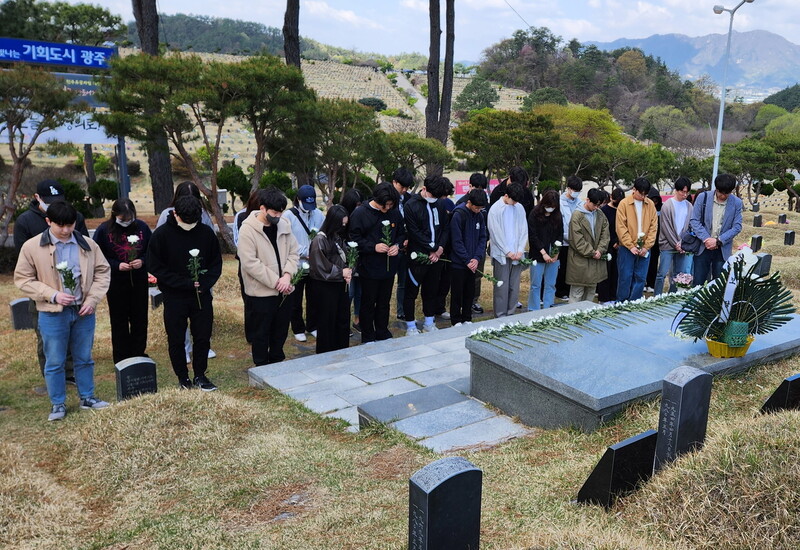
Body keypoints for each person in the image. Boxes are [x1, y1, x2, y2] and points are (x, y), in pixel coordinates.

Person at [14, 200, 111, 421]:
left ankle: (87, 397)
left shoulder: (87, 244)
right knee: (55, 360)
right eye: (61, 226)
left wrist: (93, 299)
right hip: (51, 312)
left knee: (84, 357)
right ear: (48, 222)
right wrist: (52, 295)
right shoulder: (32, 247)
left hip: (83, 311)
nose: (66, 230)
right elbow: (23, 279)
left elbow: (102, 271)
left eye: (70, 225)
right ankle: (58, 403)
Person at [14, 179, 88, 385]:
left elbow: (85, 250)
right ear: (38, 198)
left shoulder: (75, 217)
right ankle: (51, 376)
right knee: (46, 336)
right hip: (44, 289)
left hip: (73, 288)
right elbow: (24, 260)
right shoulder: (25, 221)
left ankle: (70, 372)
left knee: (74, 332)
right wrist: (47, 289)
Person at [147, 195, 222, 390]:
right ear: (175, 214)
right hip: (174, 296)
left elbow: (215, 263)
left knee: (203, 336)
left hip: (201, 294)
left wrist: (204, 283)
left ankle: (200, 375)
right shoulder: (162, 234)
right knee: (176, 338)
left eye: (193, 221)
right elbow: (156, 266)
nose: (189, 225)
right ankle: (183, 378)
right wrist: (183, 283)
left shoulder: (206, 232)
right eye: (185, 221)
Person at [237, 188, 300, 364]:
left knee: (280, 330)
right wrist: (276, 281)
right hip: (261, 293)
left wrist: (287, 276)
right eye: (274, 212)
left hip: (285, 289)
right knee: (261, 333)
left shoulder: (284, 224)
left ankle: (277, 360)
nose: (278, 216)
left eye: (280, 212)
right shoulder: (248, 230)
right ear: (263, 208)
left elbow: (294, 253)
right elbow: (249, 263)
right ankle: (261, 364)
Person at [156, 181, 217, 361]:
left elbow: (209, 239)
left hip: (200, 270)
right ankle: (183, 347)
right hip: (177, 273)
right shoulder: (167, 214)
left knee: (202, 310)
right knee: (178, 315)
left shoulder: (203, 213)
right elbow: (160, 242)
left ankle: (203, 346)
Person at [93, 198, 152, 363]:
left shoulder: (142, 227)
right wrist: (116, 265)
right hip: (116, 282)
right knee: (119, 320)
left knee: (140, 318)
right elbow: (97, 256)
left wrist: (142, 261)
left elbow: (152, 250)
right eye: (122, 219)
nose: (126, 222)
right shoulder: (104, 230)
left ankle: (138, 353)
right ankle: (121, 356)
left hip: (138, 280)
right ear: (114, 215)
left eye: (129, 218)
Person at [348, 182, 403, 343]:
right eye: (384, 206)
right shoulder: (360, 213)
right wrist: (373, 247)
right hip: (369, 267)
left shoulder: (394, 212)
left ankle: (382, 330)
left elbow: (401, 233)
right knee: (368, 302)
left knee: (384, 302)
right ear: (376, 200)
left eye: (390, 206)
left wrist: (397, 246)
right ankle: (368, 335)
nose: (387, 209)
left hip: (389, 266)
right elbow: (354, 239)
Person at [402, 175, 451, 335]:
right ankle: (410, 325)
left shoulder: (440, 204)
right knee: (411, 292)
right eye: (432, 195)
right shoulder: (411, 205)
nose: (434, 199)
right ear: (424, 189)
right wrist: (432, 247)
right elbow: (413, 231)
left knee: (431, 290)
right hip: (418, 256)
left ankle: (429, 322)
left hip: (436, 256)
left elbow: (445, 227)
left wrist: (440, 248)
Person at [283, 184, 325, 343]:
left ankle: (313, 326)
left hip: (314, 265)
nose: (309, 208)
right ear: (298, 200)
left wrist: (316, 252)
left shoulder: (318, 214)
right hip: (296, 264)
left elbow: (323, 234)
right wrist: (304, 252)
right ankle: (297, 328)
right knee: (295, 298)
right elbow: (287, 240)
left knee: (314, 297)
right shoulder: (288, 216)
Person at [309, 205, 353, 353]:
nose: (343, 226)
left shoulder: (336, 236)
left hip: (340, 284)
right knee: (327, 321)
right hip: (325, 287)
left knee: (342, 319)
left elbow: (345, 258)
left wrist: (349, 270)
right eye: (342, 223)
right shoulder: (319, 240)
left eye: (345, 224)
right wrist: (341, 272)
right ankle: (325, 353)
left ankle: (341, 350)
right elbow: (321, 268)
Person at [689, 173, 743, 284]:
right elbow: (694, 220)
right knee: (698, 283)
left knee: (719, 284)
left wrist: (718, 241)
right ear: (716, 188)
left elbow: (737, 226)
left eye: (726, 193)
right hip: (703, 247)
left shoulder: (737, 203)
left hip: (722, 249)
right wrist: (707, 239)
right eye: (720, 192)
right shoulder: (703, 197)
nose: (723, 196)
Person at [487, 183, 528, 317]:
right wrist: (507, 251)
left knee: (514, 287)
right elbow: (495, 233)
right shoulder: (495, 209)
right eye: (513, 200)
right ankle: (500, 315)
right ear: (506, 195)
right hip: (502, 255)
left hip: (517, 253)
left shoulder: (519, 207)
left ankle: (511, 313)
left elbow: (523, 229)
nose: (515, 203)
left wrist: (521, 249)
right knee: (501, 287)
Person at [448, 189, 488, 326]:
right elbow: (456, 241)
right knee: (457, 293)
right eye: (476, 207)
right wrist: (466, 260)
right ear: (469, 202)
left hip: (473, 262)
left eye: (481, 208)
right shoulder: (458, 215)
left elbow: (483, 238)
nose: (478, 210)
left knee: (469, 292)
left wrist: (476, 258)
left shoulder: (480, 216)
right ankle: (455, 319)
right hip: (459, 263)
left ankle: (467, 318)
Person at [616, 177, 658, 302]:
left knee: (640, 277)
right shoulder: (624, 204)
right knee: (625, 276)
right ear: (634, 189)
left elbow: (653, 227)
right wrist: (630, 246)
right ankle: (621, 303)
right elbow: (621, 227)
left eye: (646, 194)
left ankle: (634, 302)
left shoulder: (650, 204)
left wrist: (646, 246)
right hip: (627, 248)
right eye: (641, 193)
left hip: (645, 248)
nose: (643, 197)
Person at [566, 188, 610, 303]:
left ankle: (587, 319)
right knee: (577, 292)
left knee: (591, 291)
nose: (596, 208)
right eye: (595, 205)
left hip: (596, 260)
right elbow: (577, 240)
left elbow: (605, 235)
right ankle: (571, 319)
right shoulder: (577, 215)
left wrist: (600, 250)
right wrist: (592, 252)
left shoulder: (600, 214)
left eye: (599, 205)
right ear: (587, 200)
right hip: (580, 261)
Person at [456, 173, 491, 315]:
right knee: (462, 276)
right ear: (469, 186)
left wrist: (481, 247)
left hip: (479, 248)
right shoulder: (461, 204)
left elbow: (486, 228)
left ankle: (473, 301)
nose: (479, 190)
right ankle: (461, 303)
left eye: (482, 188)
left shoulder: (484, 204)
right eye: (477, 187)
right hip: (463, 250)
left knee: (477, 275)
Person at [654, 177, 694, 295]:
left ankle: (672, 295)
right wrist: (676, 244)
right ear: (676, 190)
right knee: (662, 273)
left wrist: (682, 243)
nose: (684, 194)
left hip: (682, 246)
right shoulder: (667, 205)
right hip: (667, 245)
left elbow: (689, 226)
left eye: (687, 192)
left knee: (678, 274)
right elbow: (666, 228)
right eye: (682, 191)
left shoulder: (689, 206)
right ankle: (657, 296)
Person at [527, 189, 564, 310]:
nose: (551, 208)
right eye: (549, 206)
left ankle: (548, 308)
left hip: (553, 255)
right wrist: (543, 252)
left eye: (553, 206)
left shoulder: (557, 215)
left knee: (551, 284)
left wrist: (556, 252)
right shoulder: (534, 214)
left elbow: (560, 234)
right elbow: (533, 236)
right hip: (538, 254)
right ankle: (534, 309)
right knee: (535, 284)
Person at [391, 167, 414, 320]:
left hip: (406, 247)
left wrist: (407, 238)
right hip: (390, 245)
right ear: (394, 182)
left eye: (407, 187)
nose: (404, 190)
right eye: (402, 186)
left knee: (403, 281)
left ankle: (401, 310)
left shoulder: (409, 199)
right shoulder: (386, 198)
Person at [340, 189, 364, 334]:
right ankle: (344, 322)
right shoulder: (342, 216)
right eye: (356, 205)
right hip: (346, 260)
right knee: (349, 293)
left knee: (360, 292)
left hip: (361, 259)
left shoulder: (362, 216)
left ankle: (357, 320)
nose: (358, 208)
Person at [556, 175, 584, 299]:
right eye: (574, 190)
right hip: (564, 241)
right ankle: (561, 291)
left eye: (578, 191)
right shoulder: (559, 202)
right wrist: (568, 237)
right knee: (562, 267)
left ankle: (568, 289)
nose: (576, 193)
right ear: (568, 188)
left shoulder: (580, 203)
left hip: (576, 241)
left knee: (572, 268)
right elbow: (561, 223)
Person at [597, 187, 624, 304]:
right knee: (605, 271)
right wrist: (612, 241)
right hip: (607, 245)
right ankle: (604, 298)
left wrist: (619, 241)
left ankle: (613, 296)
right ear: (611, 198)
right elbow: (604, 229)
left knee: (616, 272)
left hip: (620, 244)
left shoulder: (622, 210)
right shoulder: (604, 211)